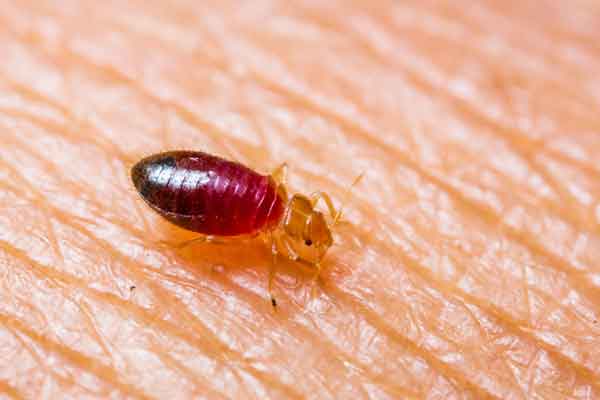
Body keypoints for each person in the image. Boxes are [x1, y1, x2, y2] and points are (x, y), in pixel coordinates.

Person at [0, 1, 598, 398]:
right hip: (195, 190)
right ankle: (184, 230)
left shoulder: (274, 197)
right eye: (314, 233)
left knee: (218, 229)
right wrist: (272, 279)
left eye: (314, 231)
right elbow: (264, 250)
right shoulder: (269, 209)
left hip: (218, 189)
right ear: (302, 222)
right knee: (209, 232)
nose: (315, 233)